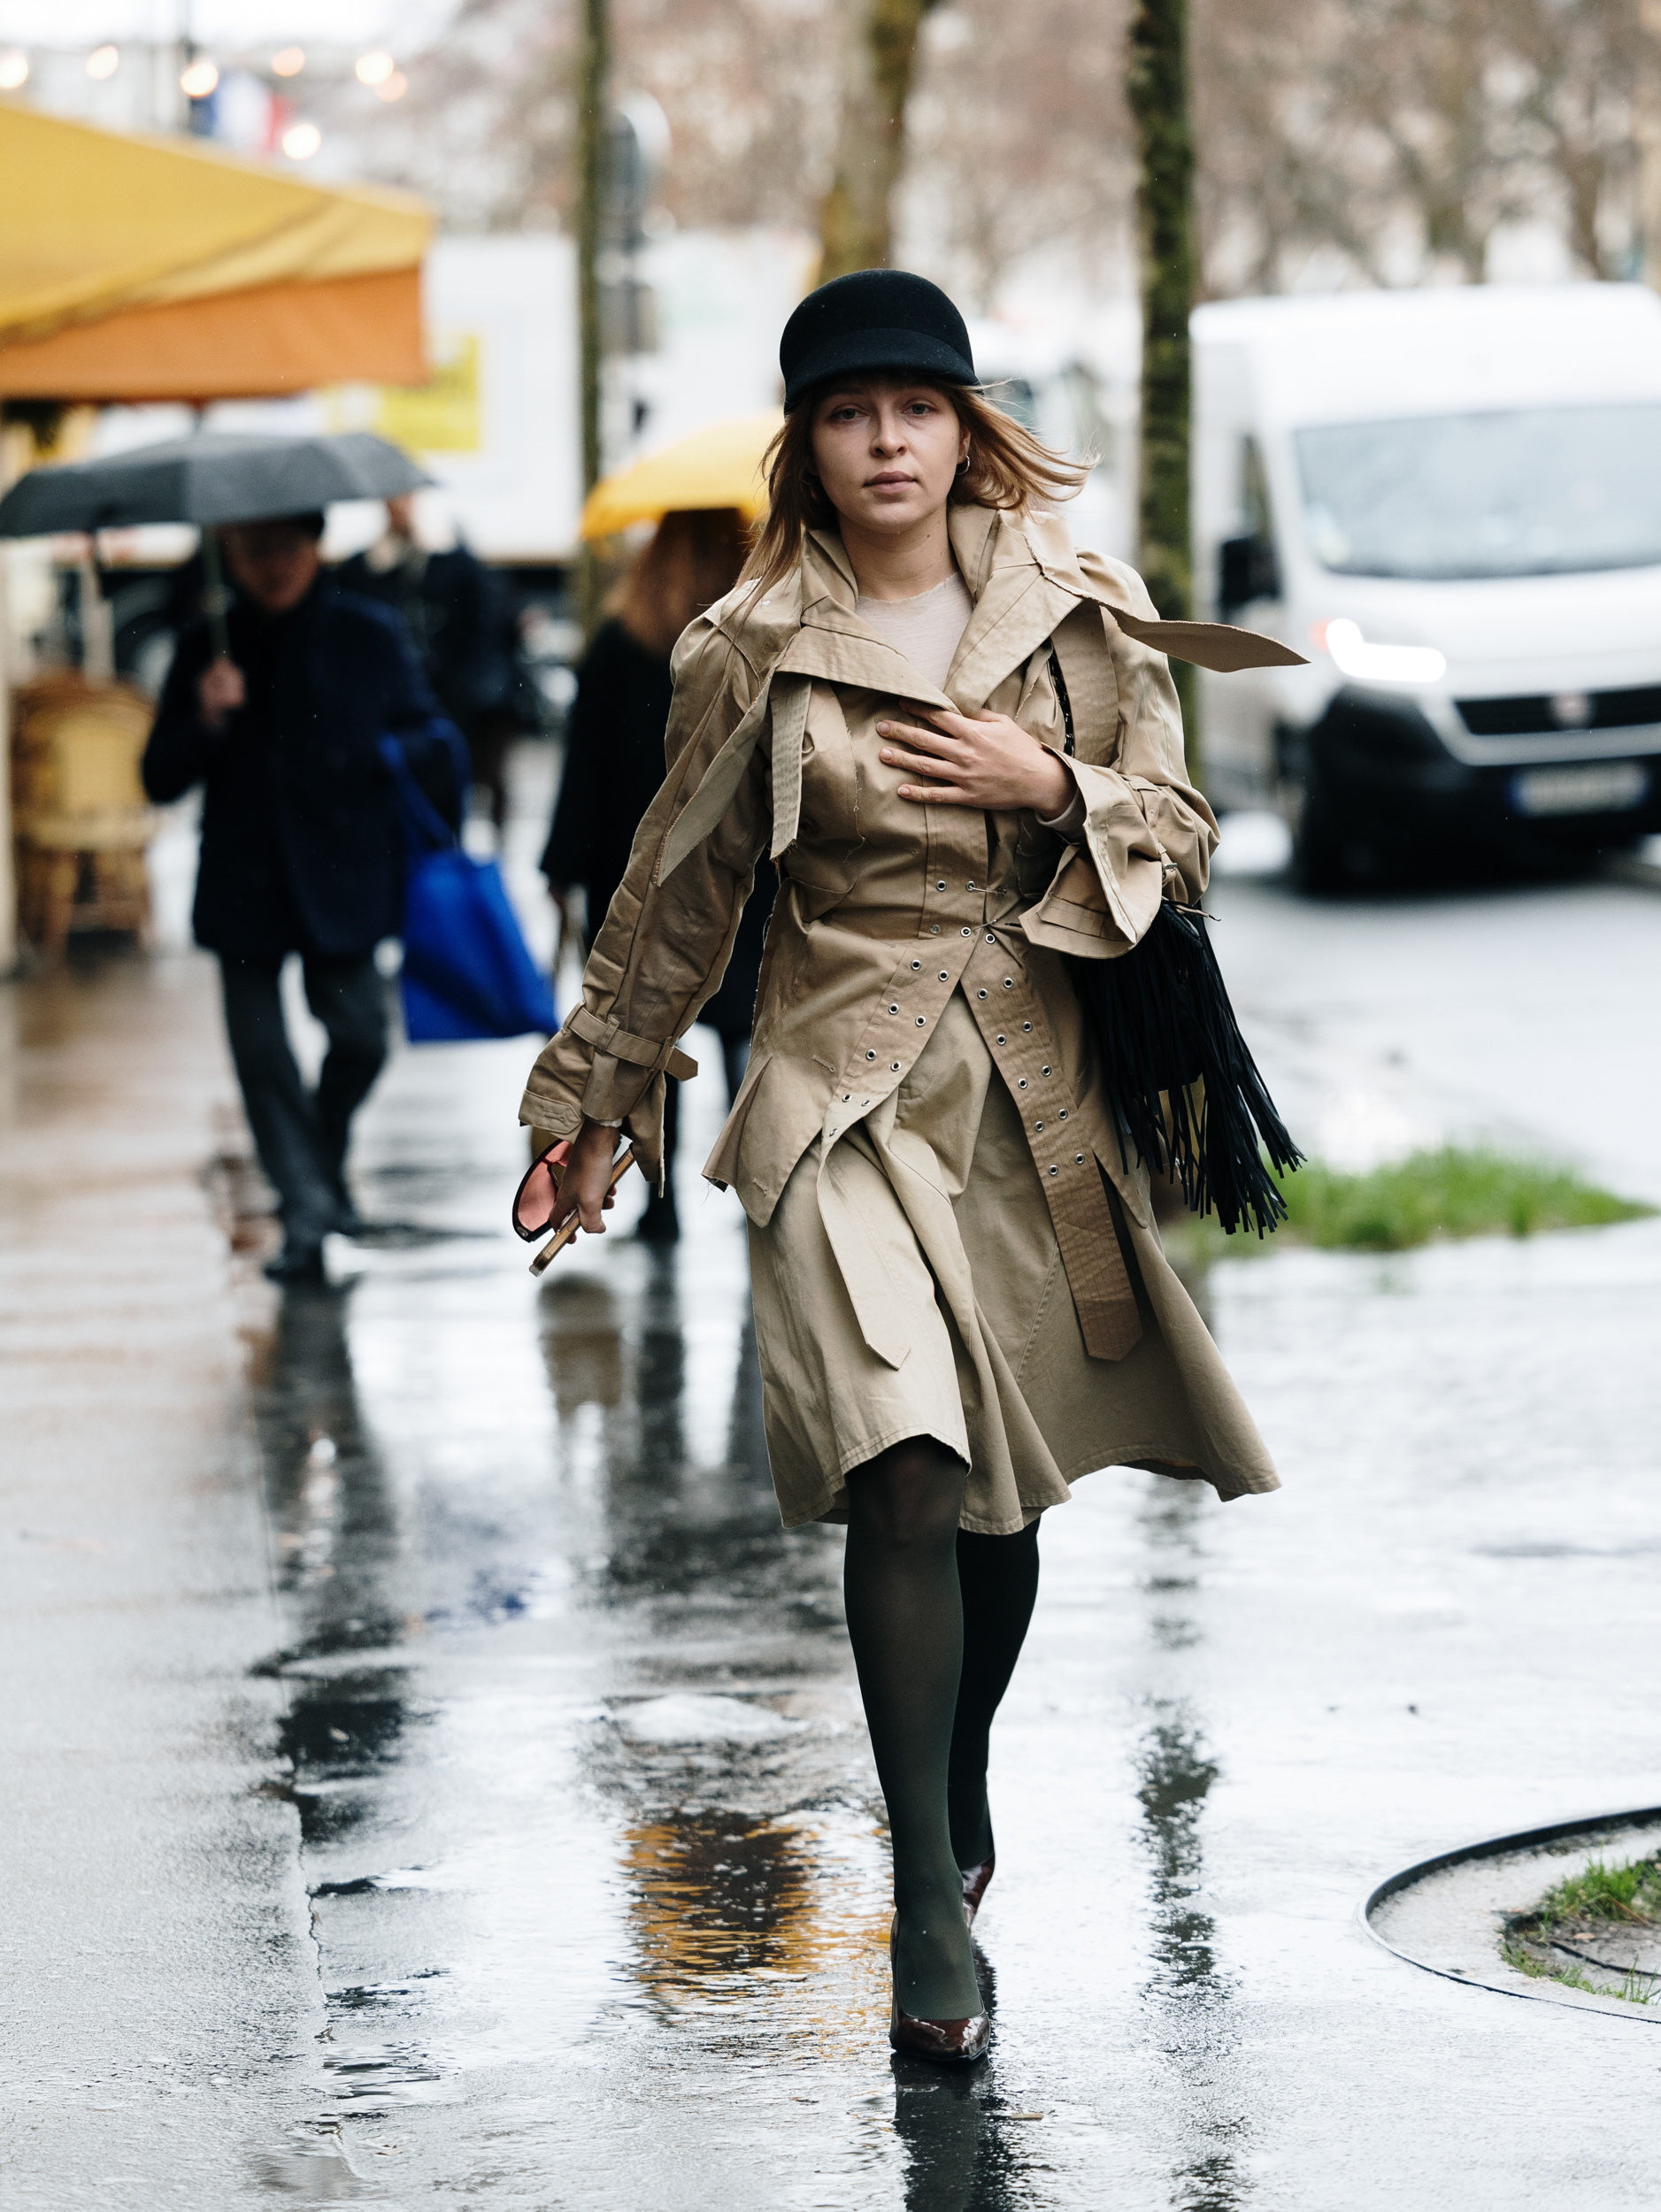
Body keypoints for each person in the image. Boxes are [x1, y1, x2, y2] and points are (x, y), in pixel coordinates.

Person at [516, 272, 1288, 2062]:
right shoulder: (745, 643)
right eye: (850, 413)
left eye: (915, 408)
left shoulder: (1079, 609)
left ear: (962, 427)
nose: (885, 441)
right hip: (833, 1093)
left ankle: (953, 1764)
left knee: (1002, 1500)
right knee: (908, 1462)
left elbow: (1180, 838)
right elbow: (675, 896)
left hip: (1027, 1094)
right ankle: (925, 1895)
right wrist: (589, 1103)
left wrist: (1051, 783)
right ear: (808, 443)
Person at [143, 511, 465, 1286]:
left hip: (342, 875)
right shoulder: (207, 644)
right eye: (257, 550)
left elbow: (427, 733)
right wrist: (206, 719)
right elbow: (158, 777)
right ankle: (306, 1210)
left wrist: (379, 753)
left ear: (315, 545)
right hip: (244, 885)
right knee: (262, 1059)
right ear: (230, 553)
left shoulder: (368, 632)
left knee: (361, 1036)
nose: (275, 565)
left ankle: (318, 1159)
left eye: (288, 547)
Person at [539, 507, 774, 1243]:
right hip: (739, 864)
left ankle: (659, 1201)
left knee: (649, 1038)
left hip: (636, 868)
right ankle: (755, 1187)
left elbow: (583, 766)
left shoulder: (621, 641)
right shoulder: (758, 639)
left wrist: (562, 866)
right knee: (743, 1030)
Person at [338, 495, 531, 836]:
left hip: (447, 700)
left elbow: (480, 624)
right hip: (391, 702)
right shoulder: (364, 568)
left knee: (447, 788)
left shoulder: (450, 562)